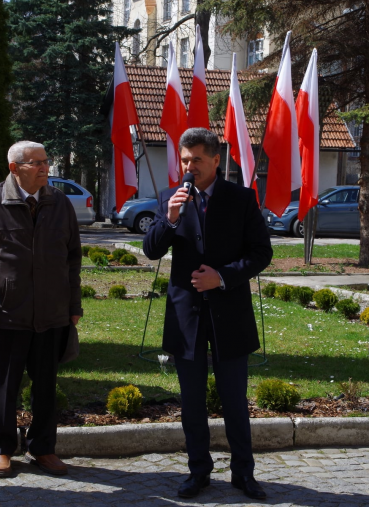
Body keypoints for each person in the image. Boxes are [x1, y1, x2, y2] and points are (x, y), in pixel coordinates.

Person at [143, 128, 273, 500]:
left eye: (197, 160)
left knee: (234, 401)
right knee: (192, 403)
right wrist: (168, 219)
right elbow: (152, 250)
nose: (189, 167)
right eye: (185, 160)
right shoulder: (172, 197)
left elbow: (261, 253)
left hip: (230, 314)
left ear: (217, 161)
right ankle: (198, 471)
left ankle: (243, 474)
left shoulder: (241, 199)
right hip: (187, 318)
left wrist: (223, 276)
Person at [0, 140, 82, 478]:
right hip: (6, 311)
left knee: (46, 385)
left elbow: (73, 259)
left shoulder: (59, 203)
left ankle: (43, 448)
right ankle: (0, 449)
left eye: (46, 161)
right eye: (36, 163)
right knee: (4, 385)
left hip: (52, 313)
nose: (45, 168)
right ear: (15, 168)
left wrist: (73, 306)